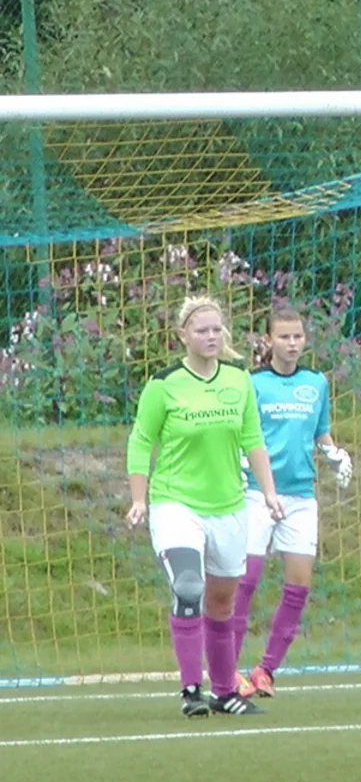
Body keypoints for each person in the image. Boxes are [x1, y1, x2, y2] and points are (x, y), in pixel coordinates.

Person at [125, 296, 285, 718]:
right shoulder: (164, 384)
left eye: (217, 329)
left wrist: (269, 493)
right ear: (183, 336)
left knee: (221, 602)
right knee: (189, 586)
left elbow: (253, 439)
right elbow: (142, 441)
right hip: (177, 504)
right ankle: (190, 689)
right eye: (201, 330)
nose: (211, 337)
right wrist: (139, 498)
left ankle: (225, 690)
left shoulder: (238, 379)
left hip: (229, 506)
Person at [228, 305, 352, 698]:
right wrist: (241, 457)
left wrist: (335, 455)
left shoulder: (316, 383)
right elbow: (238, 432)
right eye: (283, 336)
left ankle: (265, 670)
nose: (292, 343)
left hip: (300, 497)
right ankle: (226, 670)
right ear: (268, 340)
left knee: (297, 587)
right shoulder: (252, 383)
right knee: (244, 581)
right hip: (255, 492)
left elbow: (321, 434)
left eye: (297, 336)